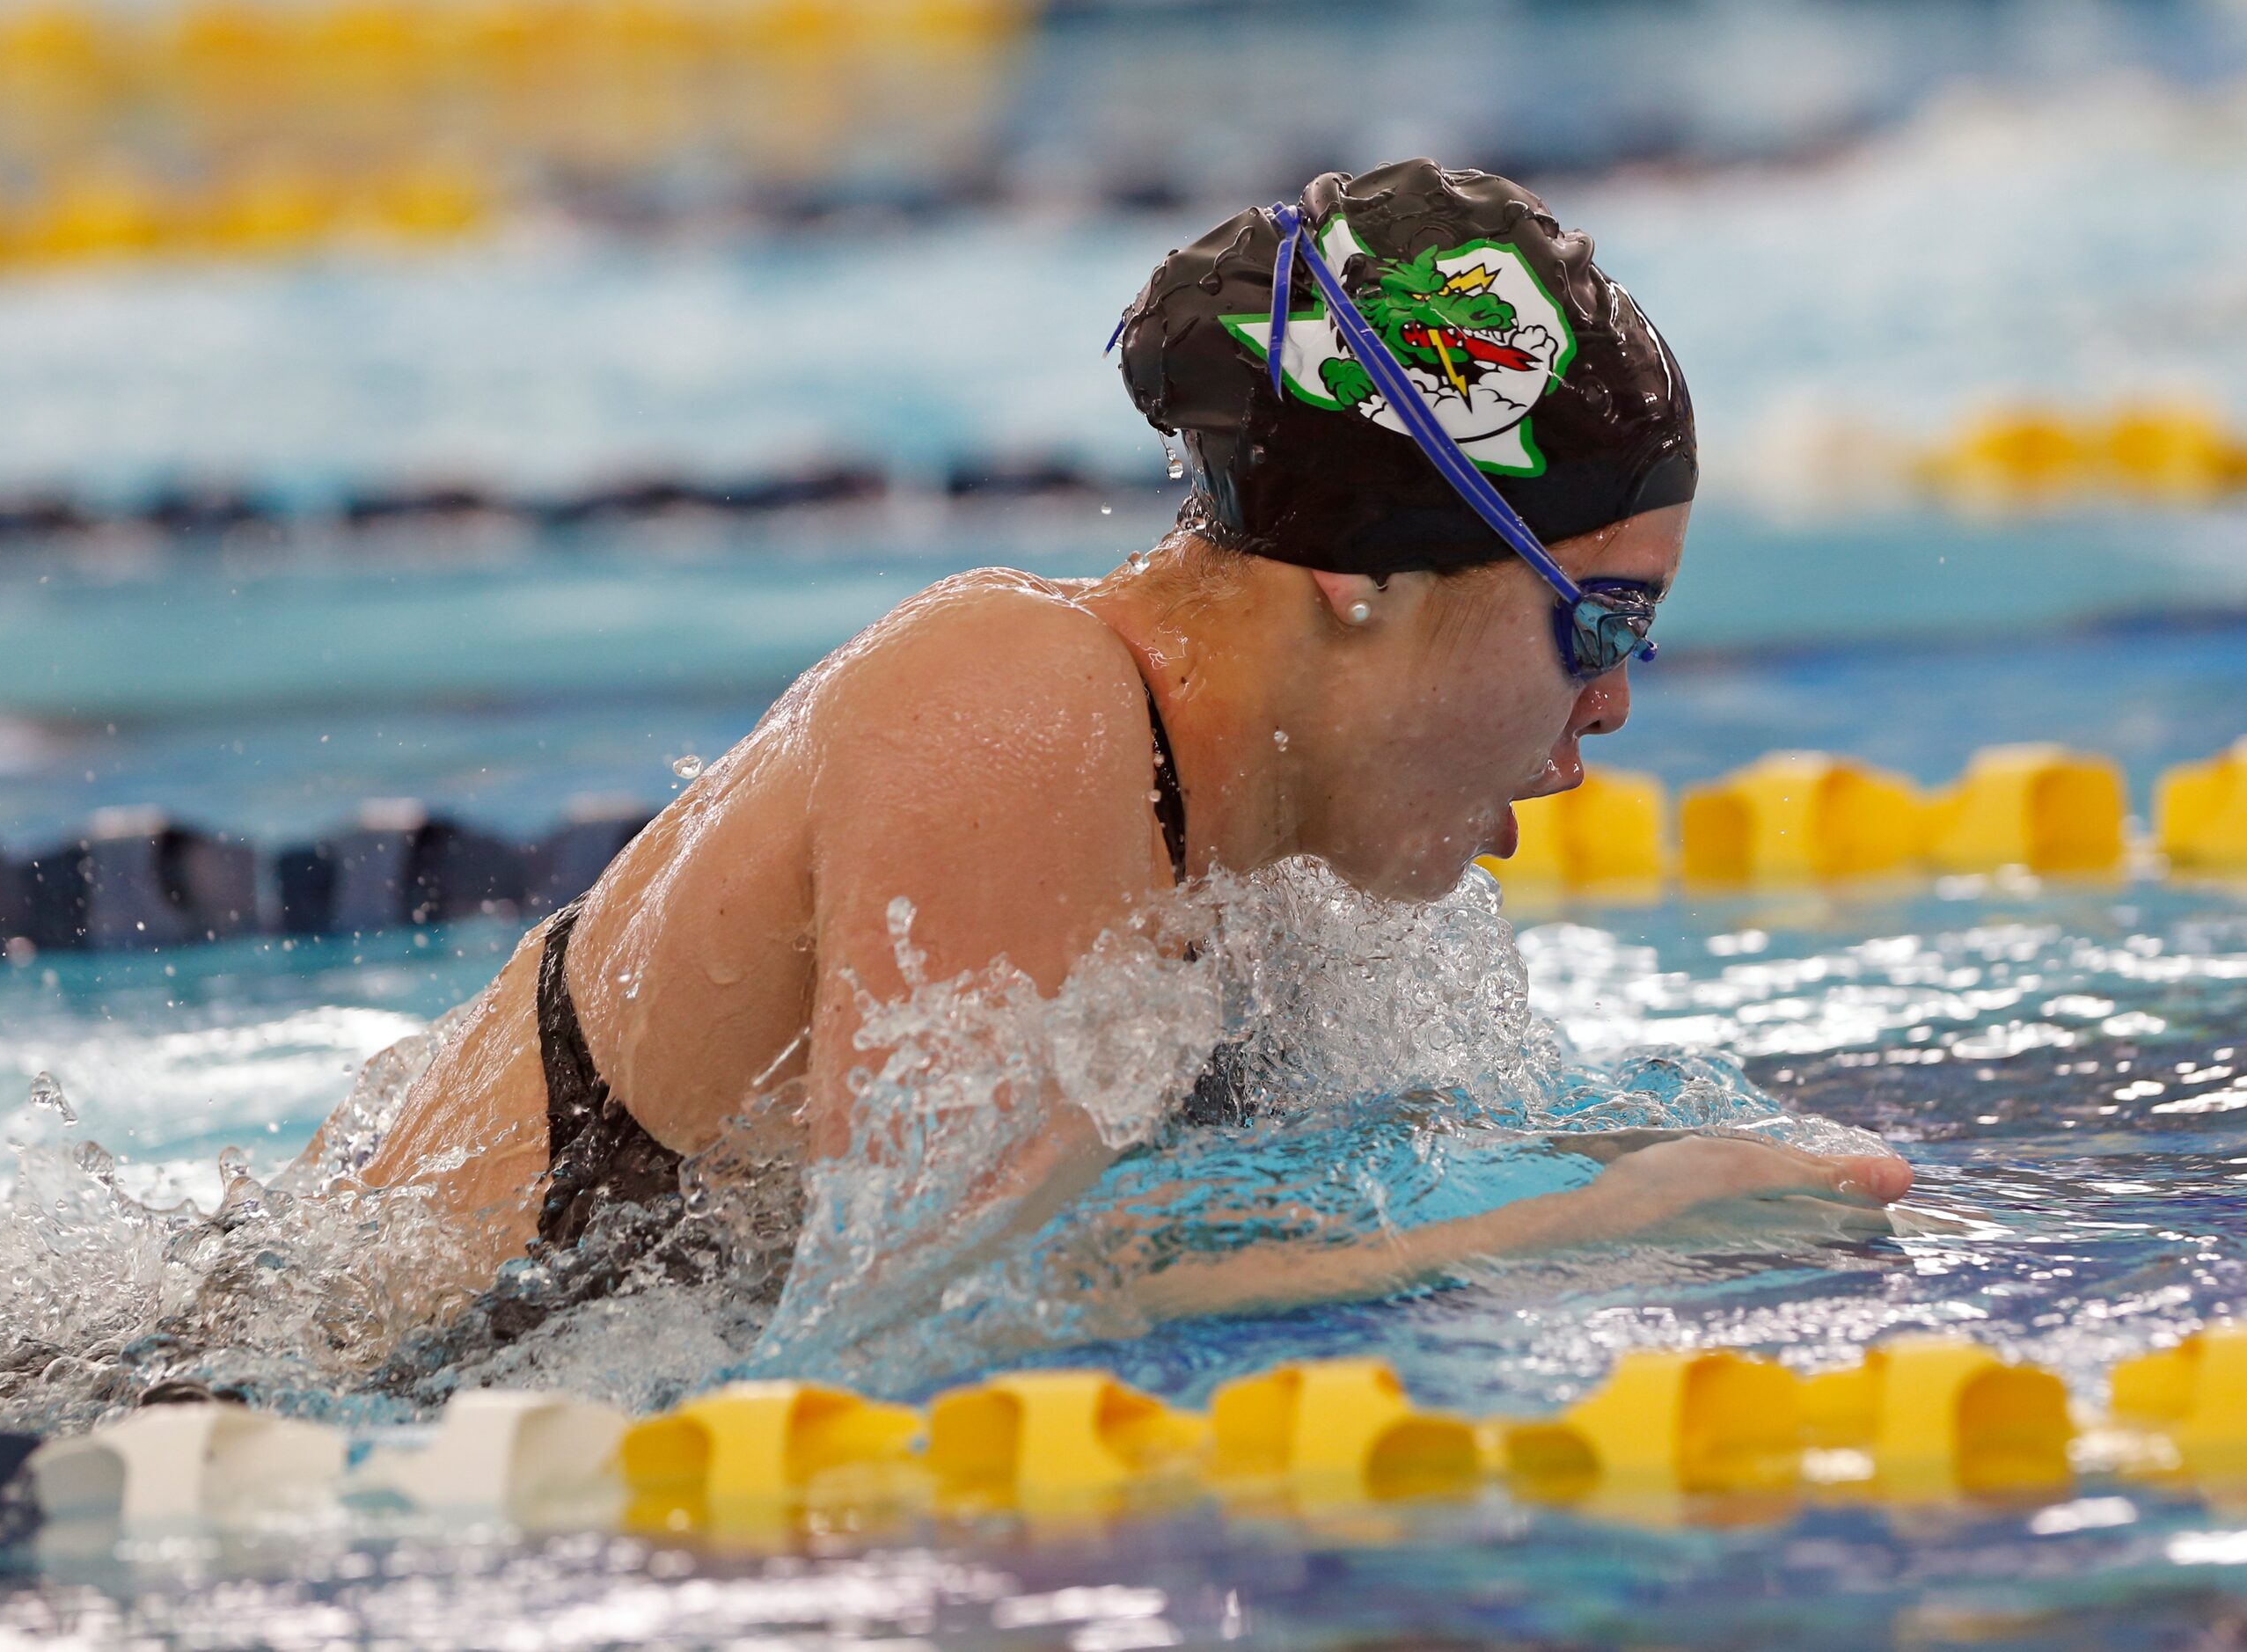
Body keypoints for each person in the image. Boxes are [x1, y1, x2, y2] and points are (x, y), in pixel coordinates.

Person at [333, 159, 1914, 1323]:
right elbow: (925, 1316)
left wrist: (1647, 1157)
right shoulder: (1016, 699)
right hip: (320, 1416)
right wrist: (1590, 1219)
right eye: (1604, 622)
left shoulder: (1270, 862)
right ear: (1366, 581)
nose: (1615, 702)